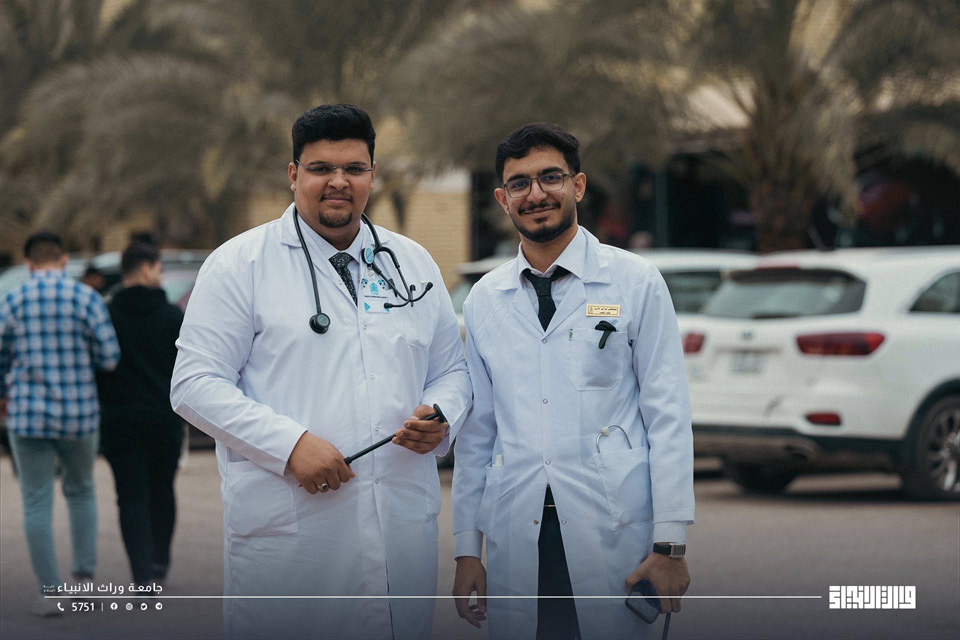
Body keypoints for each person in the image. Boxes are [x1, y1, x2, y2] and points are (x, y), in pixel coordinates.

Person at [170, 104, 471, 640]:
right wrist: (289, 445)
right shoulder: (240, 265)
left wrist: (442, 413)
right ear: (293, 175)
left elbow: (453, 368)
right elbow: (193, 384)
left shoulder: (412, 263)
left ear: (373, 175)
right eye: (320, 168)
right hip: (292, 534)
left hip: (400, 524)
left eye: (354, 168)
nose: (338, 182)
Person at [451, 123, 695, 639]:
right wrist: (467, 549)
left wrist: (670, 545)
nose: (536, 194)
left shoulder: (635, 282)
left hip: (610, 525)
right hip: (517, 528)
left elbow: (668, 416)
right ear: (502, 199)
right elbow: (478, 433)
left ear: (577, 186)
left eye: (550, 177)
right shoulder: (485, 299)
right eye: (519, 183)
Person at [0, 231, 120, 616]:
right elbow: (110, 356)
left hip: (27, 416)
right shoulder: (86, 298)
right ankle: (84, 580)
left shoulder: (11, 300)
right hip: (79, 414)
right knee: (81, 491)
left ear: (29, 263)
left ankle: (50, 592)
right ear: (64, 260)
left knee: (36, 500)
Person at [97, 242, 184, 591]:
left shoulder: (106, 315)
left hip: (118, 419)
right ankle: (160, 562)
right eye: (160, 269)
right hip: (164, 419)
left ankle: (141, 574)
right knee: (162, 490)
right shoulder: (173, 317)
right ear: (148, 269)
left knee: (130, 496)